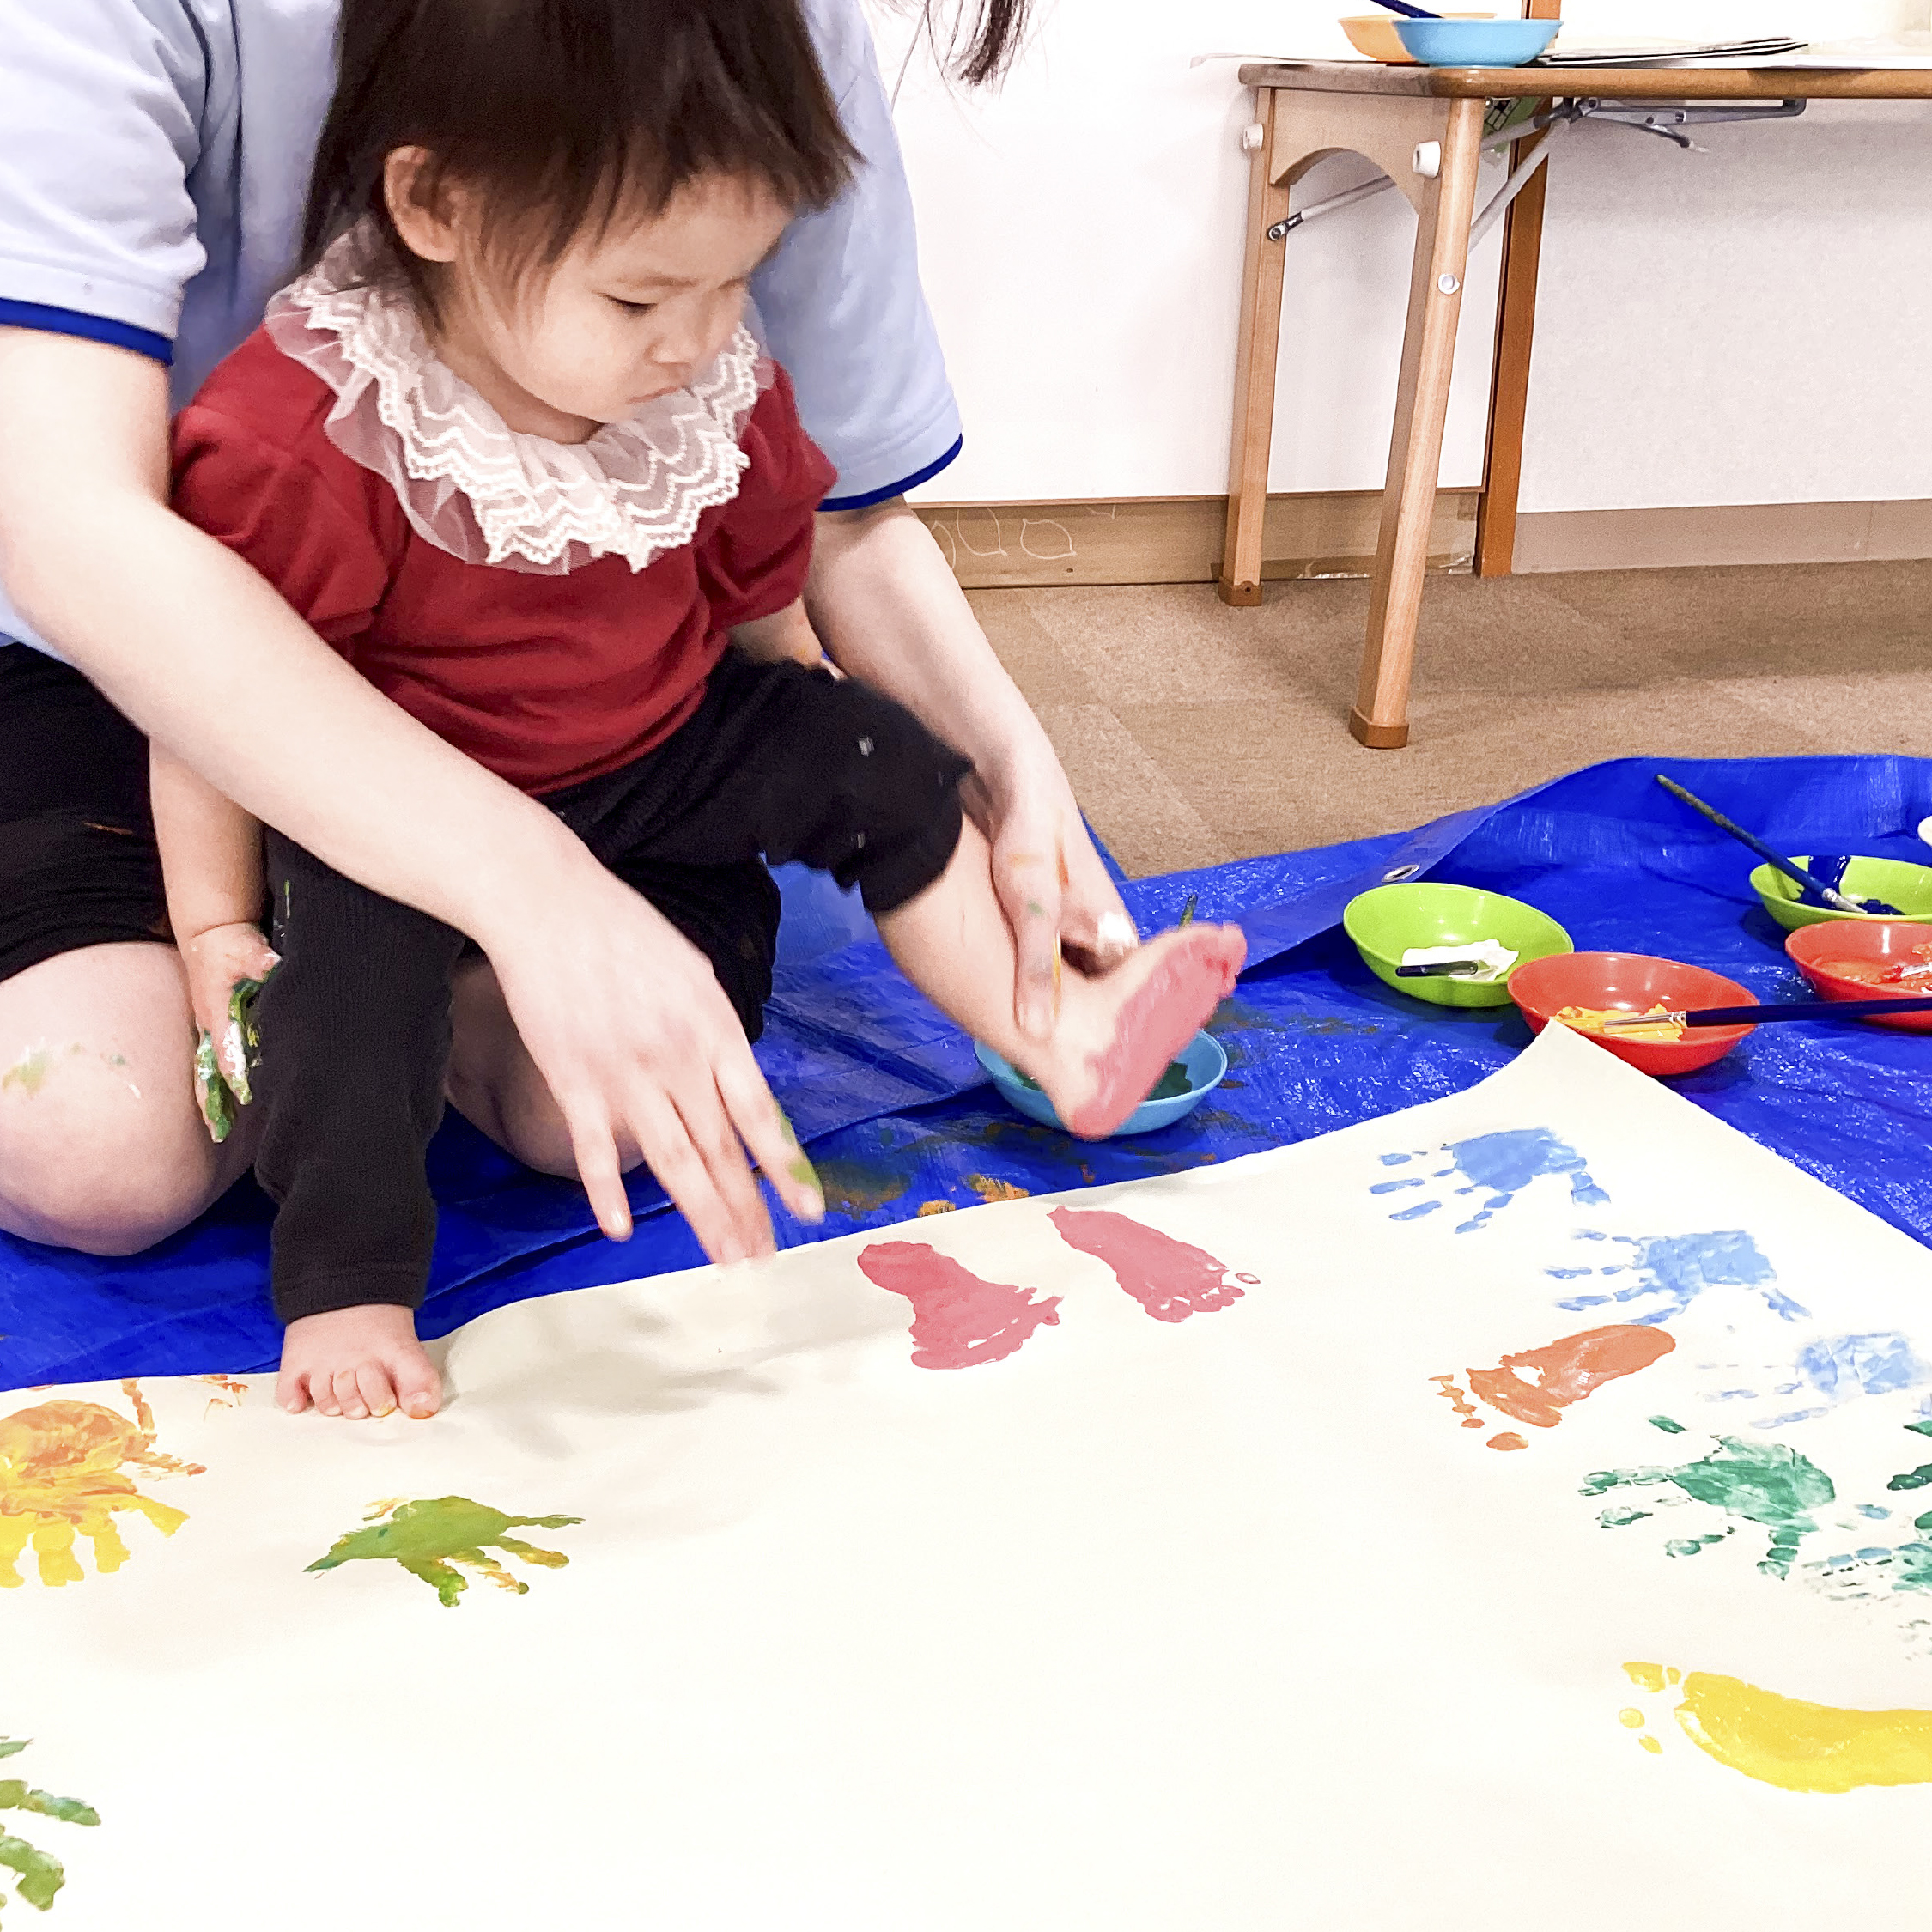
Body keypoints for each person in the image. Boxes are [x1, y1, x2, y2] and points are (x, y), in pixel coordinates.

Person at [0, 0, 1145, 1397]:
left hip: (629, 747)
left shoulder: (706, 355)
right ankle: (349, 1281)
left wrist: (945, 767)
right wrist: (218, 924)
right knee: (312, 1006)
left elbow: (788, 573)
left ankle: (1043, 1031)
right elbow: (155, 634)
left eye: (735, 286)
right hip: (347, 753)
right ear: (434, 205)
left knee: (853, 786)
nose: (698, 342)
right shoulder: (322, 422)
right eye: (641, 301)